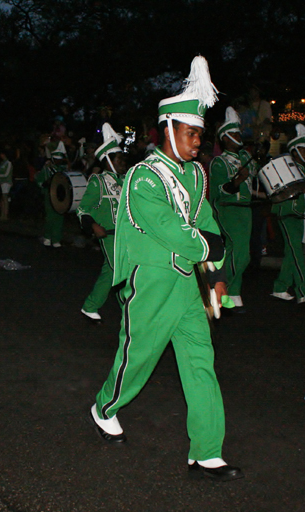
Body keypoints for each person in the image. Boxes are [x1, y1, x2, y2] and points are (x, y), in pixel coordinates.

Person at [89, 56, 243, 482]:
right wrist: (206, 245)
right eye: (191, 133)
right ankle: (104, 407)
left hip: (187, 290)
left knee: (201, 363)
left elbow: (210, 225)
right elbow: (172, 230)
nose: (198, 142)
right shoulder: (143, 178)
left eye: (200, 134)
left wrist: (221, 290)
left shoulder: (196, 175)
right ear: (169, 131)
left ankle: (207, 451)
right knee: (137, 358)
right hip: (152, 284)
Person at [209, 107, 260, 310]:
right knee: (240, 251)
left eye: (240, 134)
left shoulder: (246, 159)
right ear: (226, 138)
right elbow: (222, 190)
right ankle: (222, 286)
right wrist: (239, 179)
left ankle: (231, 289)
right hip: (227, 208)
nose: (239, 137)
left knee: (239, 252)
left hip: (245, 209)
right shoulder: (219, 162)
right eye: (235, 134)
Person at [77, 123, 127, 324]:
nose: (124, 162)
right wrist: (92, 225)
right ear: (108, 160)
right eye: (119, 159)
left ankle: (90, 306)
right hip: (109, 235)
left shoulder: (125, 180)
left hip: (126, 235)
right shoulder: (98, 181)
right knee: (122, 270)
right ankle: (132, 312)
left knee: (112, 270)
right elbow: (83, 210)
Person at [271, 124, 305, 303]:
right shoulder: (286, 167)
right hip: (286, 213)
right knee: (296, 251)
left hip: (298, 215)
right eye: (302, 150)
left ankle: (280, 287)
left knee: (291, 252)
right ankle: (302, 289)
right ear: (294, 151)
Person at [35, 141, 68, 247]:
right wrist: (46, 183)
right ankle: (48, 236)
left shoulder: (63, 170)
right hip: (49, 195)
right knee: (50, 217)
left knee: (59, 217)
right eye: (56, 160)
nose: (58, 162)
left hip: (61, 197)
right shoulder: (46, 169)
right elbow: (39, 181)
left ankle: (56, 239)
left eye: (59, 160)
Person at [0, 148, 13, 221]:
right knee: (2, 199)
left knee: (5, 198)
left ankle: (5, 215)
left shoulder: (8, 163)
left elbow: (6, 174)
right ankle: (2, 214)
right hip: (1, 182)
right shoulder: (2, 163)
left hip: (6, 182)